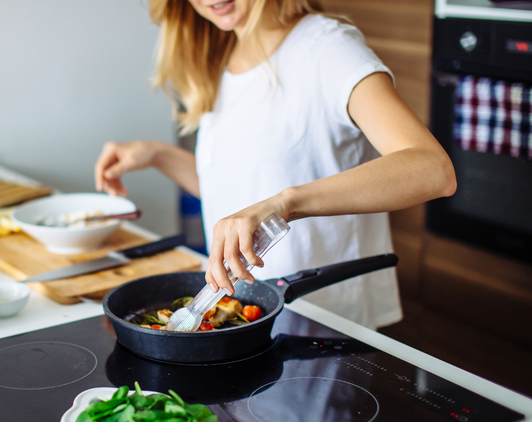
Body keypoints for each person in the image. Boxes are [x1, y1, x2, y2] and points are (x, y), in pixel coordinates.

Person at [94, 0, 456, 329]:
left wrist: (284, 205)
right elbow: (241, 192)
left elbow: (432, 170)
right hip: (245, 319)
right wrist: (158, 154)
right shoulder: (226, 55)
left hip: (322, 320)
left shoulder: (328, 47)